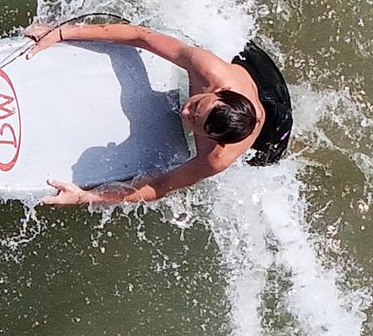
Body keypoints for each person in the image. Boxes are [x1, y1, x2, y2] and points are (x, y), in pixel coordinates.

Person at [16, 20, 292, 206]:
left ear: (214, 139)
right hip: (261, 75)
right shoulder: (210, 69)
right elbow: (142, 37)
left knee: (268, 159)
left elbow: (161, 185)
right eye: (197, 105)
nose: (186, 111)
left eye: (195, 124)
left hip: (273, 130)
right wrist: (61, 33)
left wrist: (85, 197)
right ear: (220, 91)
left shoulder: (217, 157)